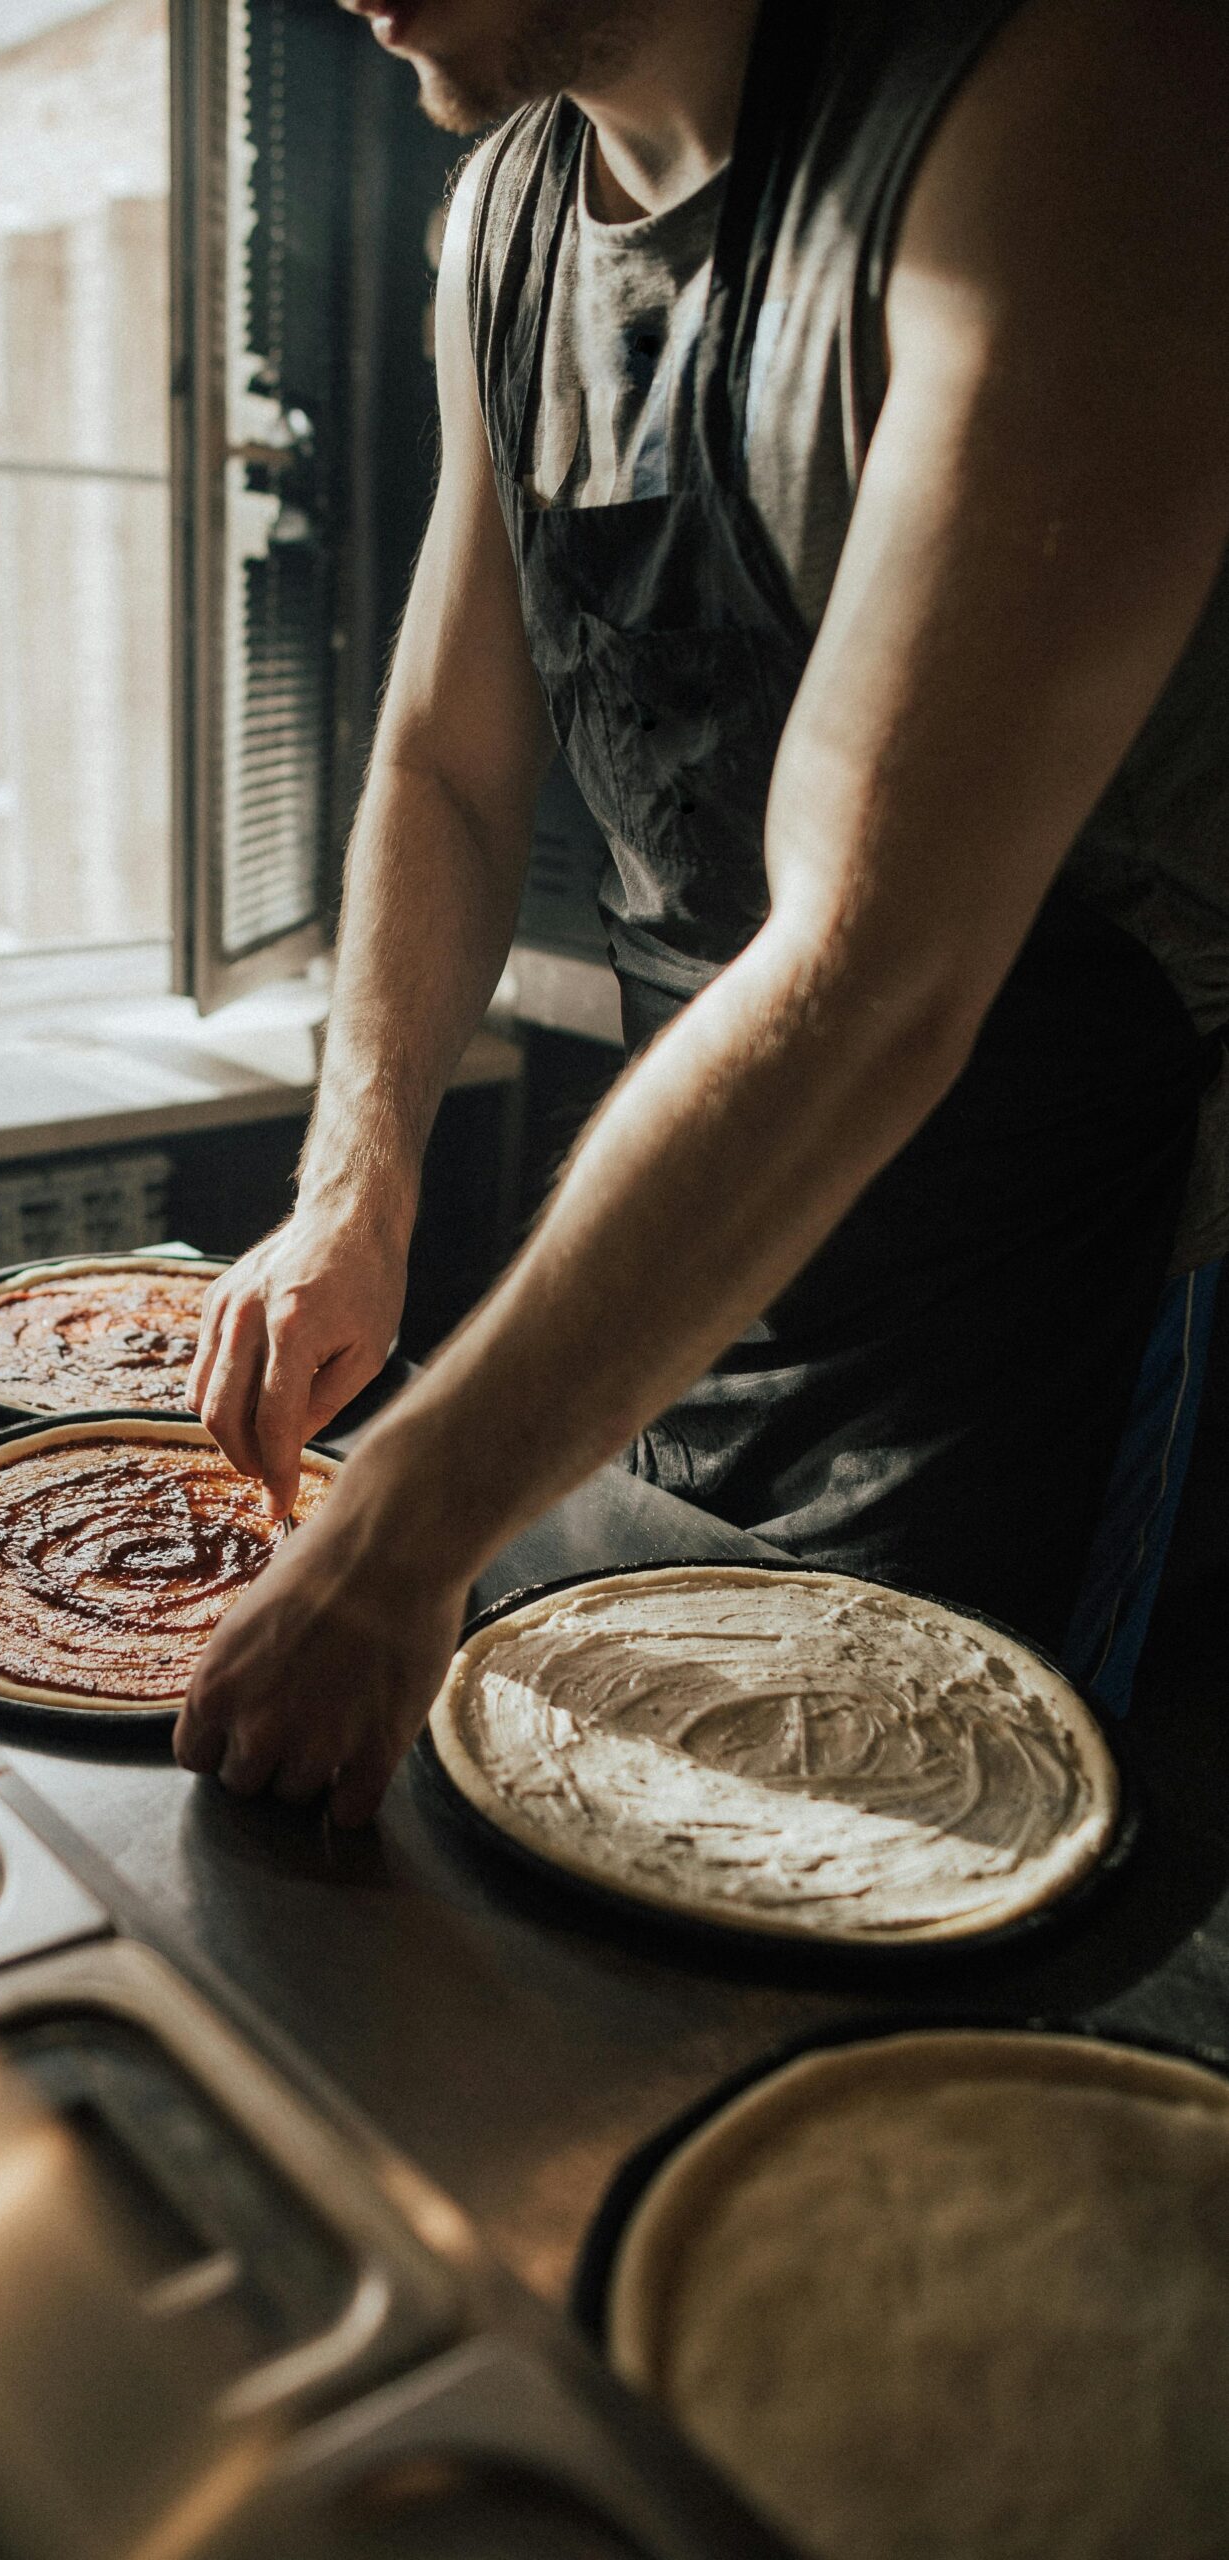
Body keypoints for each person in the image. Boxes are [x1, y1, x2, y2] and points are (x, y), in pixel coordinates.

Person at [176, 0, 1229, 1824]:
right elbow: (444, 757)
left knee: (923, 1903)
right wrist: (354, 1191)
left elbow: (873, 964)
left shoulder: (1075, 102)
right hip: (697, 1254)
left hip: (1063, 1274)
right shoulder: (506, 219)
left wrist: (411, 1511)